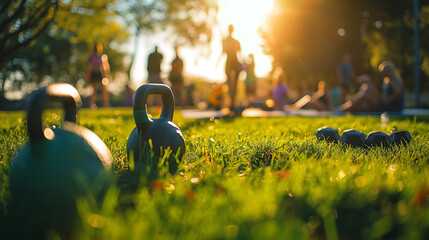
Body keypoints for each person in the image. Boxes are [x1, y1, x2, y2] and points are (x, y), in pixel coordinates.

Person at [222, 24, 242, 111]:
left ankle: (233, 102)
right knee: (230, 84)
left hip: (234, 63)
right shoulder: (225, 41)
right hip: (230, 63)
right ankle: (231, 103)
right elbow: (223, 52)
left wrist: (243, 65)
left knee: (233, 84)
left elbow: (239, 54)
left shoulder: (234, 41)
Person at [86, 43, 110, 109]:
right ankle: (92, 104)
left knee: (104, 89)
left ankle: (105, 103)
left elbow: (105, 67)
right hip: (94, 74)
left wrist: (106, 75)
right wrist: (88, 75)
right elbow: (89, 67)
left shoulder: (103, 56)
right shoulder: (92, 57)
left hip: (100, 74)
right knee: (94, 90)